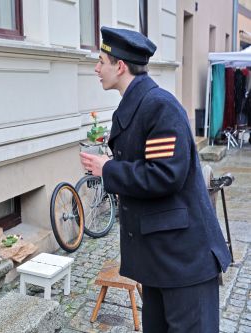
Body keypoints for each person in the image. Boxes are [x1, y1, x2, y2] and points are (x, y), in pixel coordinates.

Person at [80, 27, 232, 332]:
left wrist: (108, 170)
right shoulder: (137, 104)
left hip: (184, 260)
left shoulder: (159, 106)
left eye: (101, 61)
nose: (96, 68)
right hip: (159, 258)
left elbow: (165, 175)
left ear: (120, 66)